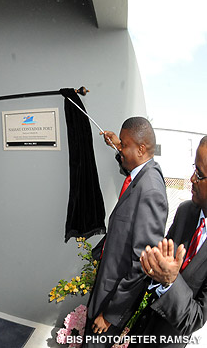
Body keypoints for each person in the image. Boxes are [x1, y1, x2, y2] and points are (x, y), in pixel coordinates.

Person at [82, 117, 168, 347]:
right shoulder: (141, 173)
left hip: (113, 300)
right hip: (106, 288)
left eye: (125, 145)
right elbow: (125, 162)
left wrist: (110, 316)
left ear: (141, 148)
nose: (121, 150)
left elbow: (142, 264)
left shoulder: (150, 191)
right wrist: (117, 145)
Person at [129, 136, 207, 348]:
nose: (191, 178)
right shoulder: (185, 212)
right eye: (194, 168)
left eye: (199, 174)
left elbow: (195, 318)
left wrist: (171, 281)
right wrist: (153, 267)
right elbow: (160, 265)